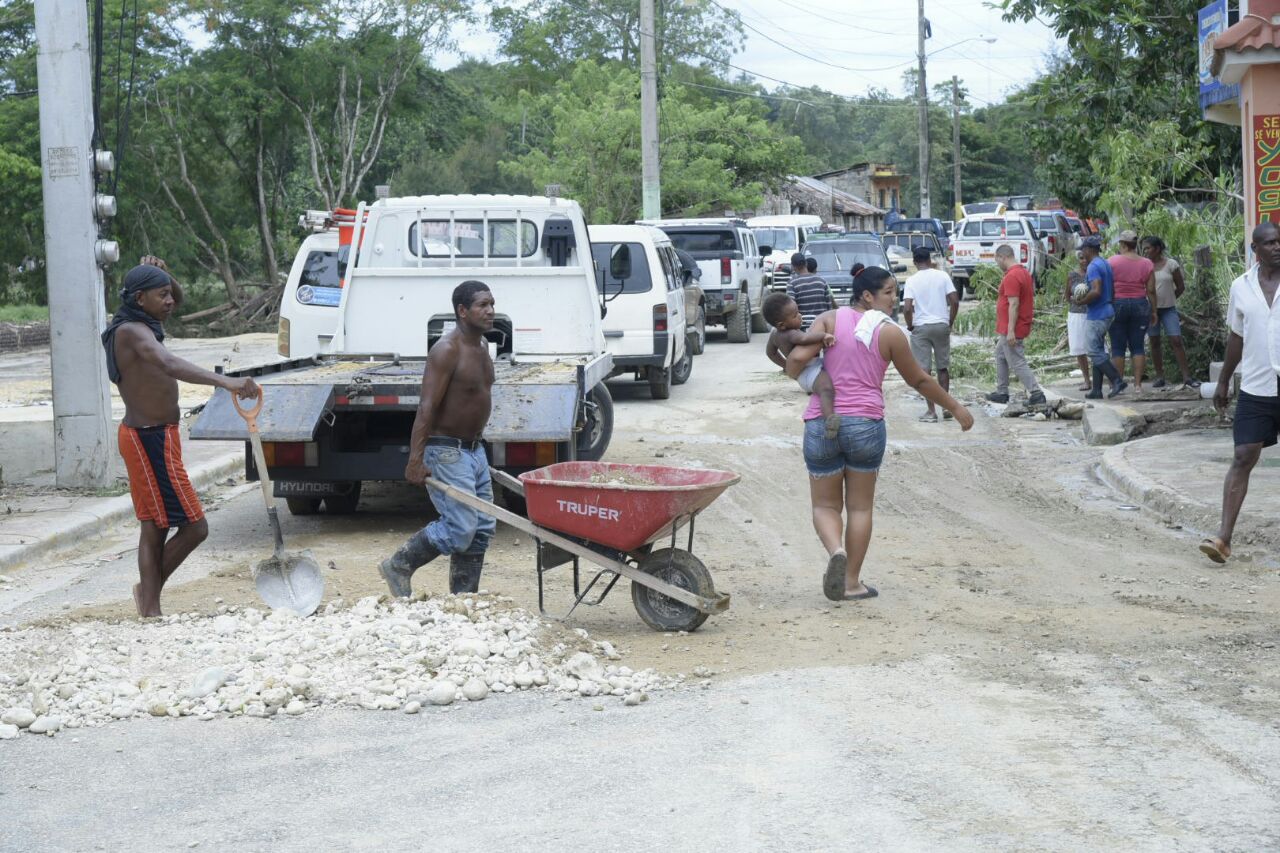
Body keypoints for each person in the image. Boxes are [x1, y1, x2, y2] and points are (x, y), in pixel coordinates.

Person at [786, 267, 974, 602]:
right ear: (868, 296)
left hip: (821, 421)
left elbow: (797, 358)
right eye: (889, 292)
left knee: (825, 505)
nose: (895, 298)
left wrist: (803, 373)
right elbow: (918, 379)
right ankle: (851, 582)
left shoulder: (829, 320)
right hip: (866, 424)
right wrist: (955, 408)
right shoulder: (890, 334)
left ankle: (835, 551)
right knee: (859, 508)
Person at [101, 258, 261, 617]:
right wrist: (227, 382)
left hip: (157, 436)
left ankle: (150, 605)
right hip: (148, 440)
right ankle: (148, 596)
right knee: (194, 527)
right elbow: (168, 363)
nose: (171, 300)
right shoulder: (132, 331)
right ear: (140, 298)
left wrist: (166, 275)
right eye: (163, 295)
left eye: (169, 293)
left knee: (156, 525)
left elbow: (178, 298)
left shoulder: (143, 318)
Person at [379, 281, 498, 596]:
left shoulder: (483, 347)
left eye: (491, 304)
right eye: (482, 305)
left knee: (483, 527)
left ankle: (464, 599)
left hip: (474, 451)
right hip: (447, 451)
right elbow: (427, 406)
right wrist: (415, 459)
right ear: (462, 311)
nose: (490, 311)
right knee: (460, 528)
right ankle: (399, 564)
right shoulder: (447, 350)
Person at [1199, 222, 1280, 564]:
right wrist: (1224, 381)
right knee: (1243, 455)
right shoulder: (1240, 287)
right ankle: (1223, 539)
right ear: (1255, 249)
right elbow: (1236, 337)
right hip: (1257, 387)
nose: (1277, 247)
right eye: (1270, 243)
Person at [764, 293, 839, 438]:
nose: (800, 316)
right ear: (782, 324)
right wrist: (824, 335)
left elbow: (770, 353)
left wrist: (785, 365)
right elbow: (804, 338)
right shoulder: (791, 333)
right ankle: (829, 421)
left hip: (807, 370)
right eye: (794, 315)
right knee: (826, 390)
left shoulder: (774, 334)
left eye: (798, 312)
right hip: (809, 371)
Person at [902, 245, 959, 422]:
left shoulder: (911, 280)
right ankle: (947, 407)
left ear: (914, 262)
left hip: (921, 328)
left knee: (924, 371)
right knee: (943, 367)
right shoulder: (942, 276)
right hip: (941, 325)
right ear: (929, 260)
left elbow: (906, 308)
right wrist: (949, 321)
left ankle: (931, 412)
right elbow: (955, 301)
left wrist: (910, 325)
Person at [986, 244, 1046, 406]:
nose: (997, 264)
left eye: (997, 260)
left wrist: (1011, 330)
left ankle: (1036, 393)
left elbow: (1014, 304)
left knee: (1016, 360)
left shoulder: (1012, 276)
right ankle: (1002, 391)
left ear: (1002, 257)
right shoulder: (1023, 272)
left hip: (1012, 327)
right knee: (1000, 354)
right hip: (1011, 326)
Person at [1142, 235, 1197, 388]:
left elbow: (1180, 286)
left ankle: (1186, 376)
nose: (1145, 251)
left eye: (1148, 248)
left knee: (1176, 340)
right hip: (1150, 310)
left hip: (1168, 310)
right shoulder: (1145, 265)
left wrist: (1170, 299)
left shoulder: (1171, 264)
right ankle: (1160, 376)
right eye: (1144, 248)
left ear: (1157, 249)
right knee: (1154, 342)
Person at [1076, 236, 1127, 398]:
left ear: (1089, 250)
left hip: (1097, 314)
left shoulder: (1093, 267)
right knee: (1098, 350)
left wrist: (1082, 301)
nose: (1082, 252)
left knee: (1093, 351)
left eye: (1083, 249)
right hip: (1107, 310)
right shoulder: (1105, 263)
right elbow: (1111, 289)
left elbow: (1096, 291)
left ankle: (1117, 380)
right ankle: (1097, 390)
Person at [1107, 229, 1157, 392]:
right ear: (1135, 245)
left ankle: (1118, 384)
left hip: (1118, 304)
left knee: (1117, 347)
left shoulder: (1112, 262)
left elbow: (1108, 287)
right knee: (1138, 346)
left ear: (1122, 244)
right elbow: (1150, 290)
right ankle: (1137, 385)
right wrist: (1154, 311)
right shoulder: (1147, 263)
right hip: (1140, 305)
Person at [1065, 251, 1092, 391]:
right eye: (1081, 258)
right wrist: (1076, 301)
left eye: (1086, 258)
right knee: (1079, 349)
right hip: (1076, 315)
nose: (1084, 261)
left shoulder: (1094, 273)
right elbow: (1067, 295)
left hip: (1093, 314)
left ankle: (1103, 379)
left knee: (1096, 348)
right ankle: (1087, 380)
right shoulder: (1072, 275)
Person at [786, 254, 834, 331]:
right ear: (806, 264)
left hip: (802, 327)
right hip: (822, 325)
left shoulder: (792, 283)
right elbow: (829, 306)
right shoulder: (822, 281)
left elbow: (790, 306)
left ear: (793, 267)